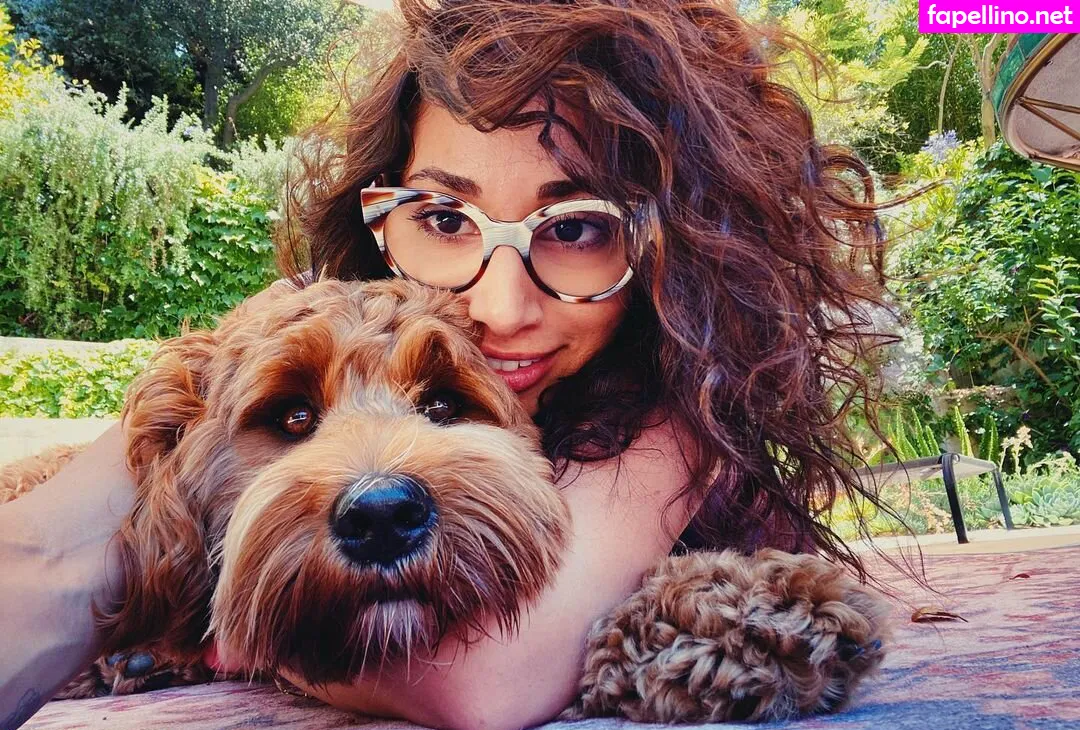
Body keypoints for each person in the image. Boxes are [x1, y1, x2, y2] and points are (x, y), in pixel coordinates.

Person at [0, 0, 897, 728]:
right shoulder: (297, 336)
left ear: (679, 246)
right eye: (443, 218)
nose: (500, 309)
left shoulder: (683, 396)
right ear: (380, 210)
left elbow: (486, 682)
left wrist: (248, 639)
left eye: (578, 227)